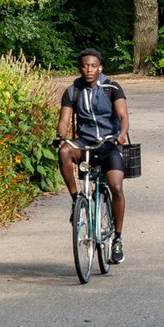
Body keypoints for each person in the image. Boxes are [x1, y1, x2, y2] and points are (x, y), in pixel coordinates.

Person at [57, 50, 131, 240]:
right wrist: (60, 136)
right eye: (84, 66)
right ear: (79, 68)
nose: (89, 70)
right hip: (84, 143)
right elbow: (64, 120)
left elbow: (122, 115)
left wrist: (122, 134)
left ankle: (117, 238)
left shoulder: (112, 88)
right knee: (64, 151)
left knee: (116, 188)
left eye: (93, 66)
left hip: (109, 143)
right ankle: (76, 200)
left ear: (100, 68)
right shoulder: (73, 91)